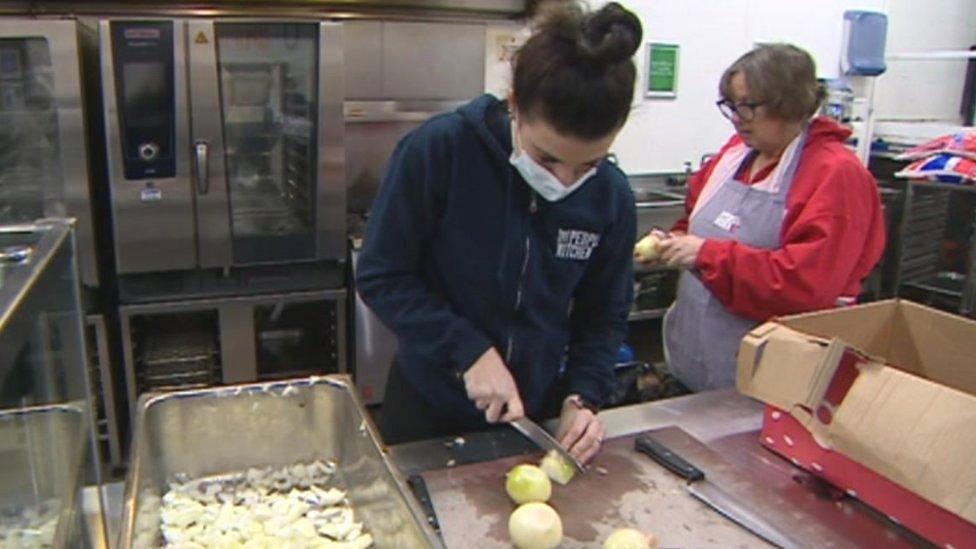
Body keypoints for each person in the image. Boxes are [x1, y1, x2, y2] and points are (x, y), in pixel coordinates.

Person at [356, 1, 642, 464]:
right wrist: (468, 351)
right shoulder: (440, 152)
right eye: (547, 159)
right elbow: (382, 276)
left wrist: (583, 396)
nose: (564, 183)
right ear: (514, 106)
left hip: (536, 412)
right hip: (428, 407)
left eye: (587, 164)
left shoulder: (611, 197)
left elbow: (604, 314)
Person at [646, 44, 886, 392]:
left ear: (789, 103)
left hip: (771, 382)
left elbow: (806, 285)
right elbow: (694, 221)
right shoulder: (734, 155)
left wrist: (706, 255)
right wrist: (673, 242)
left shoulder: (835, 175)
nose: (736, 118)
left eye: (747, 107)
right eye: (731, 106)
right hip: (695, 364)